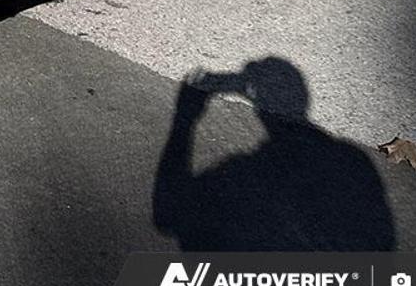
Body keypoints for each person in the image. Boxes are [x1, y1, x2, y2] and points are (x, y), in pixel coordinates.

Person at [153, 57, 395, 251]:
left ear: (258, 107)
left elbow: (166, 215)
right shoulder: (353, 162)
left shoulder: (242, 178)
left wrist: (184, 119)